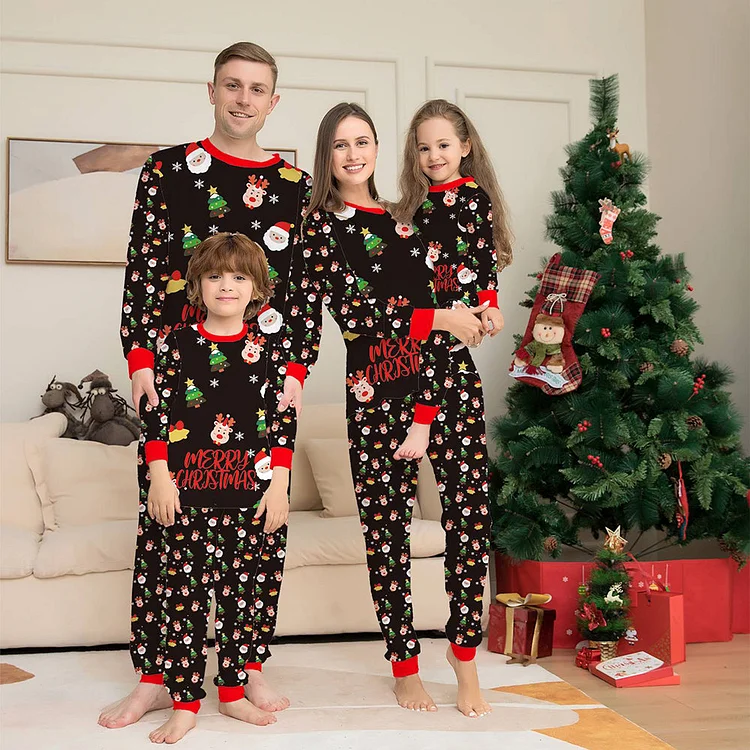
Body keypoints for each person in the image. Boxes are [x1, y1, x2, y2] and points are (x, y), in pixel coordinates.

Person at [99, 41, 320, 730]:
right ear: (213, 89)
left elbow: (304, 291)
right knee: (166, 539)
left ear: (273, 101)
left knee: (257, 539)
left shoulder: (293, 183)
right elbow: (142, 272)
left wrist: (296, 368)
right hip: (175, 377)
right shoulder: (167, 171)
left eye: (258, 88)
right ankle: (156, 677)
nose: (244, 98)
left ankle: (243, 671)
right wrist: (140, 364)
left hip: (259, 387)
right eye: (233, 85)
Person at [302, 102, 494, 717]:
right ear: (325, 156)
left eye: (364, 141)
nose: (353, 154)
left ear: (381, 149)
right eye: (340, 145)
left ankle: (465, 661)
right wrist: (440, 317)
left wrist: (477, 310)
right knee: (386, 534)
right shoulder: (321, 229)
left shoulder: (409, 218)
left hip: (451, 386)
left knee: (470, 526)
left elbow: (460, 279)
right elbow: (359, 319)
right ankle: (403, 665)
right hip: (377, 392)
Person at [143, 232, 296, 744]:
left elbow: (282, 426)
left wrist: (280, 487)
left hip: (253, 498)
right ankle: (185, 703)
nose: (225, 286)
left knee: (243, 600)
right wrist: (160, 477)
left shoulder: (273, 352)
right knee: (183, 601)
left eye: (237, 277)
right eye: (213, 276)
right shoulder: (174, 344)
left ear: (256, 288)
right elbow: (158, 419)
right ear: (196, 285)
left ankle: (232, 694)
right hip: (186, 498)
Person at [392, 98, 512, 460]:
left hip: (459, 296)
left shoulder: (474, 197)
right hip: (423, 299)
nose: (433, 156)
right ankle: (424, 420)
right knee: (430, 347)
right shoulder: (415, 201)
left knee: (441, 344)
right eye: (424, 148)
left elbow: (483, 253)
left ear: (465, 146)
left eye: (443, 145)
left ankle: (422, 424)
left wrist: (489, 304)